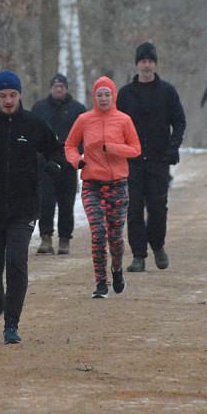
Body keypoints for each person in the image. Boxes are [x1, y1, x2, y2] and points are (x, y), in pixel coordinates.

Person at [0, 70, 65, 344]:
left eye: (12, 95)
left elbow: (56, 149)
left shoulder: (33, 123)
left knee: (16, 262)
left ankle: (11, 325)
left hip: (24, 208)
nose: (8, 100)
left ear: (20, 95)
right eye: (3, 95)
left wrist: (54, 165)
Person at [65, 76, 142, 298]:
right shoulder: (84, 119)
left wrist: (114, 148)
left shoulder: (124, 120)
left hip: (118, 186)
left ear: (113, 96)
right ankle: (101, 283)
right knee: (98, 233)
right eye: (99, 94)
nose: (104, 98)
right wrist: (76, 161)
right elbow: (70, 145)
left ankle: (116, 270)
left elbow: (136, 149)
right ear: (94, 97)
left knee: (115, 237)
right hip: (92, 185)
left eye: (107, 94)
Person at [117, 42, 187, 273]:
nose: (146, 65)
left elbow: (179, 120)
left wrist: (174, 146)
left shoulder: (167, 91)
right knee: (133, 209)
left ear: (155, 63)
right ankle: (138, 255)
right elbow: (116, 124)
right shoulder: (125, 94)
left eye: (150, 61)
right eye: (142, 61)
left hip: (159, 159)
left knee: (157, 208)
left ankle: (158, 246)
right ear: (137, 64)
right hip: (132, 161)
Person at [31, 73, 86, 255]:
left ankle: (65, 238)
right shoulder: (39, 108)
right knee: (45, 201)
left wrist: (75, 154)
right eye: (55, 86)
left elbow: (84, 136)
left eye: (61, 86)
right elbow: (33, 133)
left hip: (68, 164)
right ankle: (45, 238)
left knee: (66, 203)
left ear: (67, 88)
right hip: (44, 164)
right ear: (50, 88)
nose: (58, 89)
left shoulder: (78, 109)